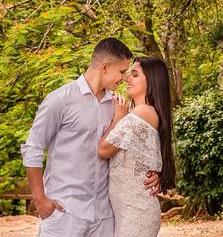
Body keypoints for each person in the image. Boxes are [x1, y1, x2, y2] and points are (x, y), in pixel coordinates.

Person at [21, 38, 162, 237]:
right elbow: (33, 148)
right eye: (122, 72)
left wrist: (153, 173)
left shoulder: (118, 106)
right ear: (104, 67)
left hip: (104, 217)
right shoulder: (60, 100)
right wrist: (40, 200)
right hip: (65, 212)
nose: (124, 78)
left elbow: (139, 146)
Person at [98, 57, 176, 237]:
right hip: (129, 211)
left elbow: (103, 150)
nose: (126, 79)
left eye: (135, 74)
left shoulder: (140, 113)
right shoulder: (145, 112)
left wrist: (118, 117)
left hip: (136, 213)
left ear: (152, 81)